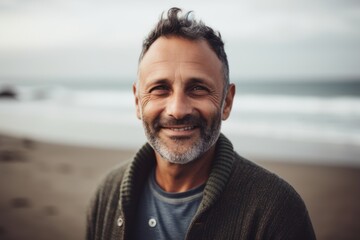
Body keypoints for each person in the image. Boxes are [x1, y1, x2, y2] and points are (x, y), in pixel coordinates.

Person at [86, 7, 316, 240]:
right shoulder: (108, 194)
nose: (177, 110)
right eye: (160, 89)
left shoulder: (277, 211)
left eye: (198, 88)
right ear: (137, 102)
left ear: (226, 102)